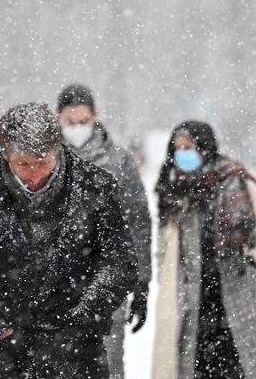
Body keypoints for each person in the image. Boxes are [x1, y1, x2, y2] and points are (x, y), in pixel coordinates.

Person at [0, 102, 138, 379]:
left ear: (58, 148)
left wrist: (84, 319)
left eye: (43, 162)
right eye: (23, 164)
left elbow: (120, 264)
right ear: (5, 154)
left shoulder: (97, 187)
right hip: (7, 358)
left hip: (80, 355)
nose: (34, 175)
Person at [151, 121, 256, 379]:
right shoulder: (172, 189)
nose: (182, 154)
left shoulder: (236, 182)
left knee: (242, 368)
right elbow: (163, 247)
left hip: (233, 302)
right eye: (177, 148)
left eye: (188, 147)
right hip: (189, 308)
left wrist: (253, 263)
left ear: (204, 147)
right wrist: (166, 280)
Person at [57, 84, 153, 379]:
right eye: (70, 122)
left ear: (95, 116)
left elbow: (138, 223)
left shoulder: (119, 162)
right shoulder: (46, 160)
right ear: (58, 118)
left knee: (108, 364)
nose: (76, 128)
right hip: (55, 285)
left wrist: (141, 282)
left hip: (108, 281)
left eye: (82, 121)